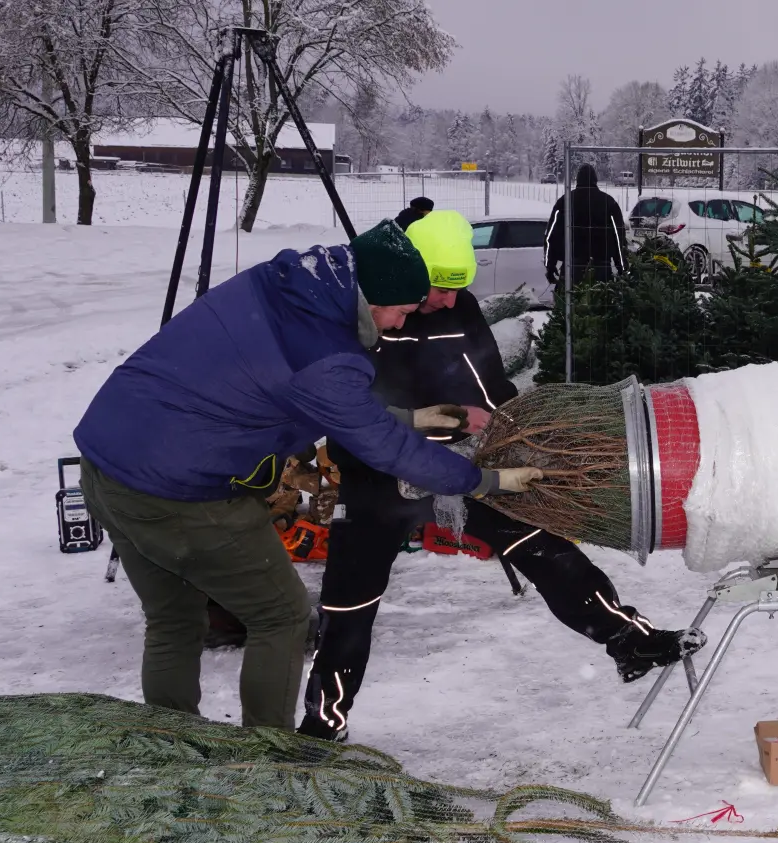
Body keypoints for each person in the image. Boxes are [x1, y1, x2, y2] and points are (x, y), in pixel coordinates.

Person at [73, 219, 544, 730]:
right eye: (402, 312)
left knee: (173, 620)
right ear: (377, 298)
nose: (398, 326)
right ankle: (270, 764)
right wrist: (486, 482)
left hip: (106, 464)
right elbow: (384, 447)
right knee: (283, 618)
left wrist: (415, 417)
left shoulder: (283, 285)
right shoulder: (327, 358)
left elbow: (295, 395)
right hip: (180, 494)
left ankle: (169, 745)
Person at [298, 207, 706, 742]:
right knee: (350, 599)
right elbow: (347, 411)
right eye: (439, 288)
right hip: (376, 475)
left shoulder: (459, 308)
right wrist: (431, 421)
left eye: (455, 288)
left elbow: (489, 383)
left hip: (463, 464)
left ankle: (631, 641)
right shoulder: (361, 314)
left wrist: (511, 430)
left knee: (544, 546)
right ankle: (324, 722)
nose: (448, 300)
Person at [544, 164, 628, 285]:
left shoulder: (565, 201)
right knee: (601, 301)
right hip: (601, 265)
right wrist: (622, 267)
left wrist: (550, 265)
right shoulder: (609, 202)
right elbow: (619, 236)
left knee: (569, 299)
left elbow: (551, 236)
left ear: (577, 180)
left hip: (571, 264)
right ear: (595, 180)